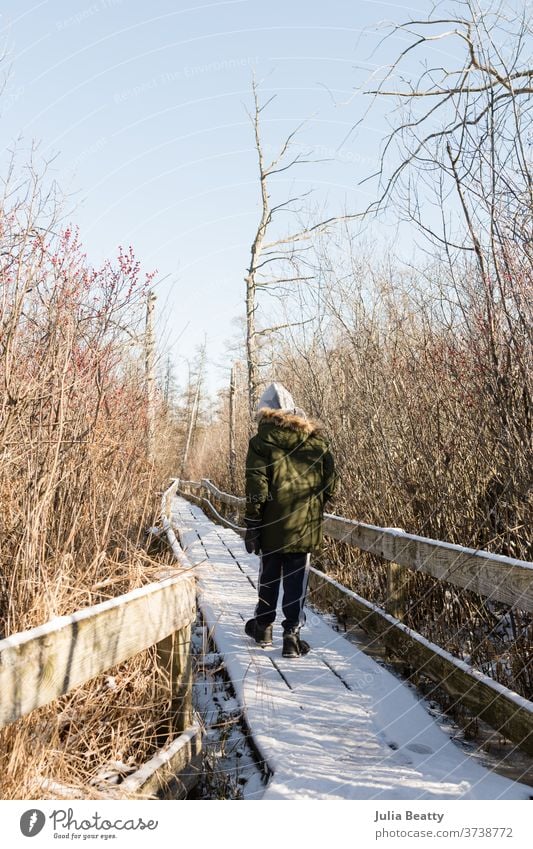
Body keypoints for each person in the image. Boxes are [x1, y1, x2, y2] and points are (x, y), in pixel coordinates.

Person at [244, 382, 338, 658]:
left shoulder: (261, 443)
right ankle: (292, 637)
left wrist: (252, 523)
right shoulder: (317, 443)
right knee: (297, 580)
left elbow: (256, 488)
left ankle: (263, 627)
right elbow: (330, 486)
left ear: (266, 413)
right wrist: (310, 506)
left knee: (269, 576)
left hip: (272, 526)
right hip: (304, 526)